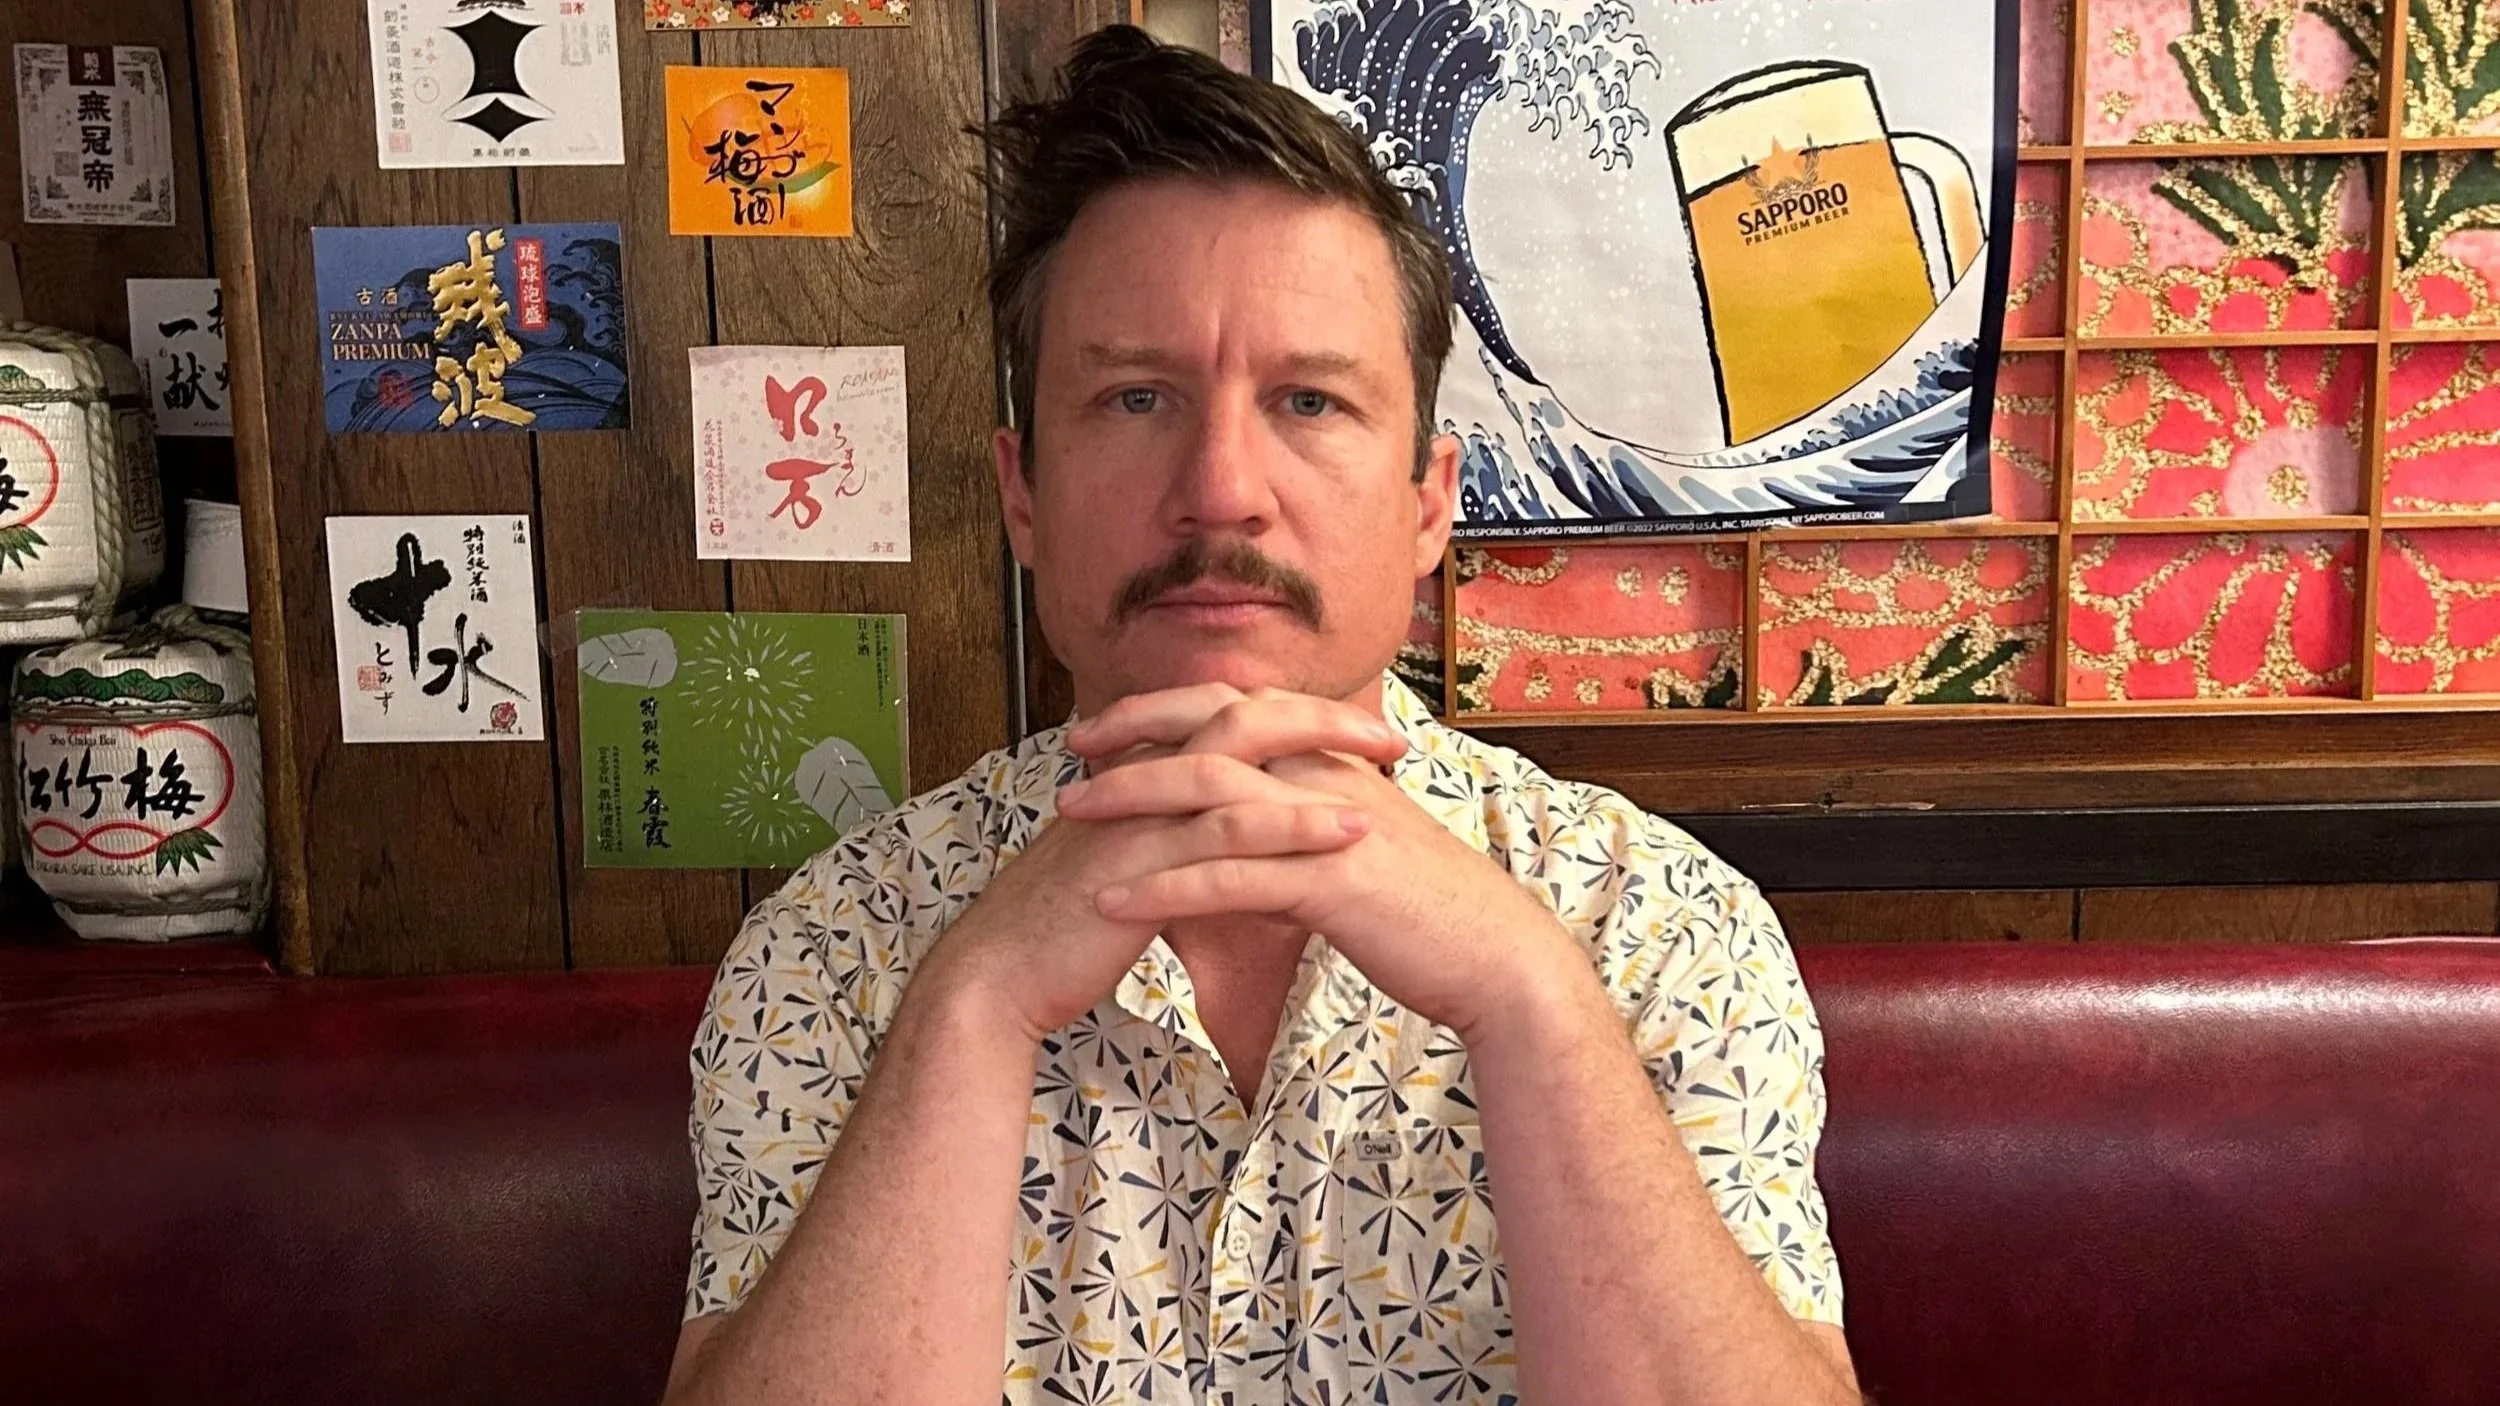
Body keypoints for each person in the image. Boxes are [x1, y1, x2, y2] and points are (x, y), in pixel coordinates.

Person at [662, 26, 1857, 1406]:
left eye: (1309, 399)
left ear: (1429, 500)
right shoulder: (835, 946)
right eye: (1135, 396)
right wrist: (974, 1004)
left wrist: (1532, 1003)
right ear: (1023, 495)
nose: (1223, 486)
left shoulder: (1653, 925)